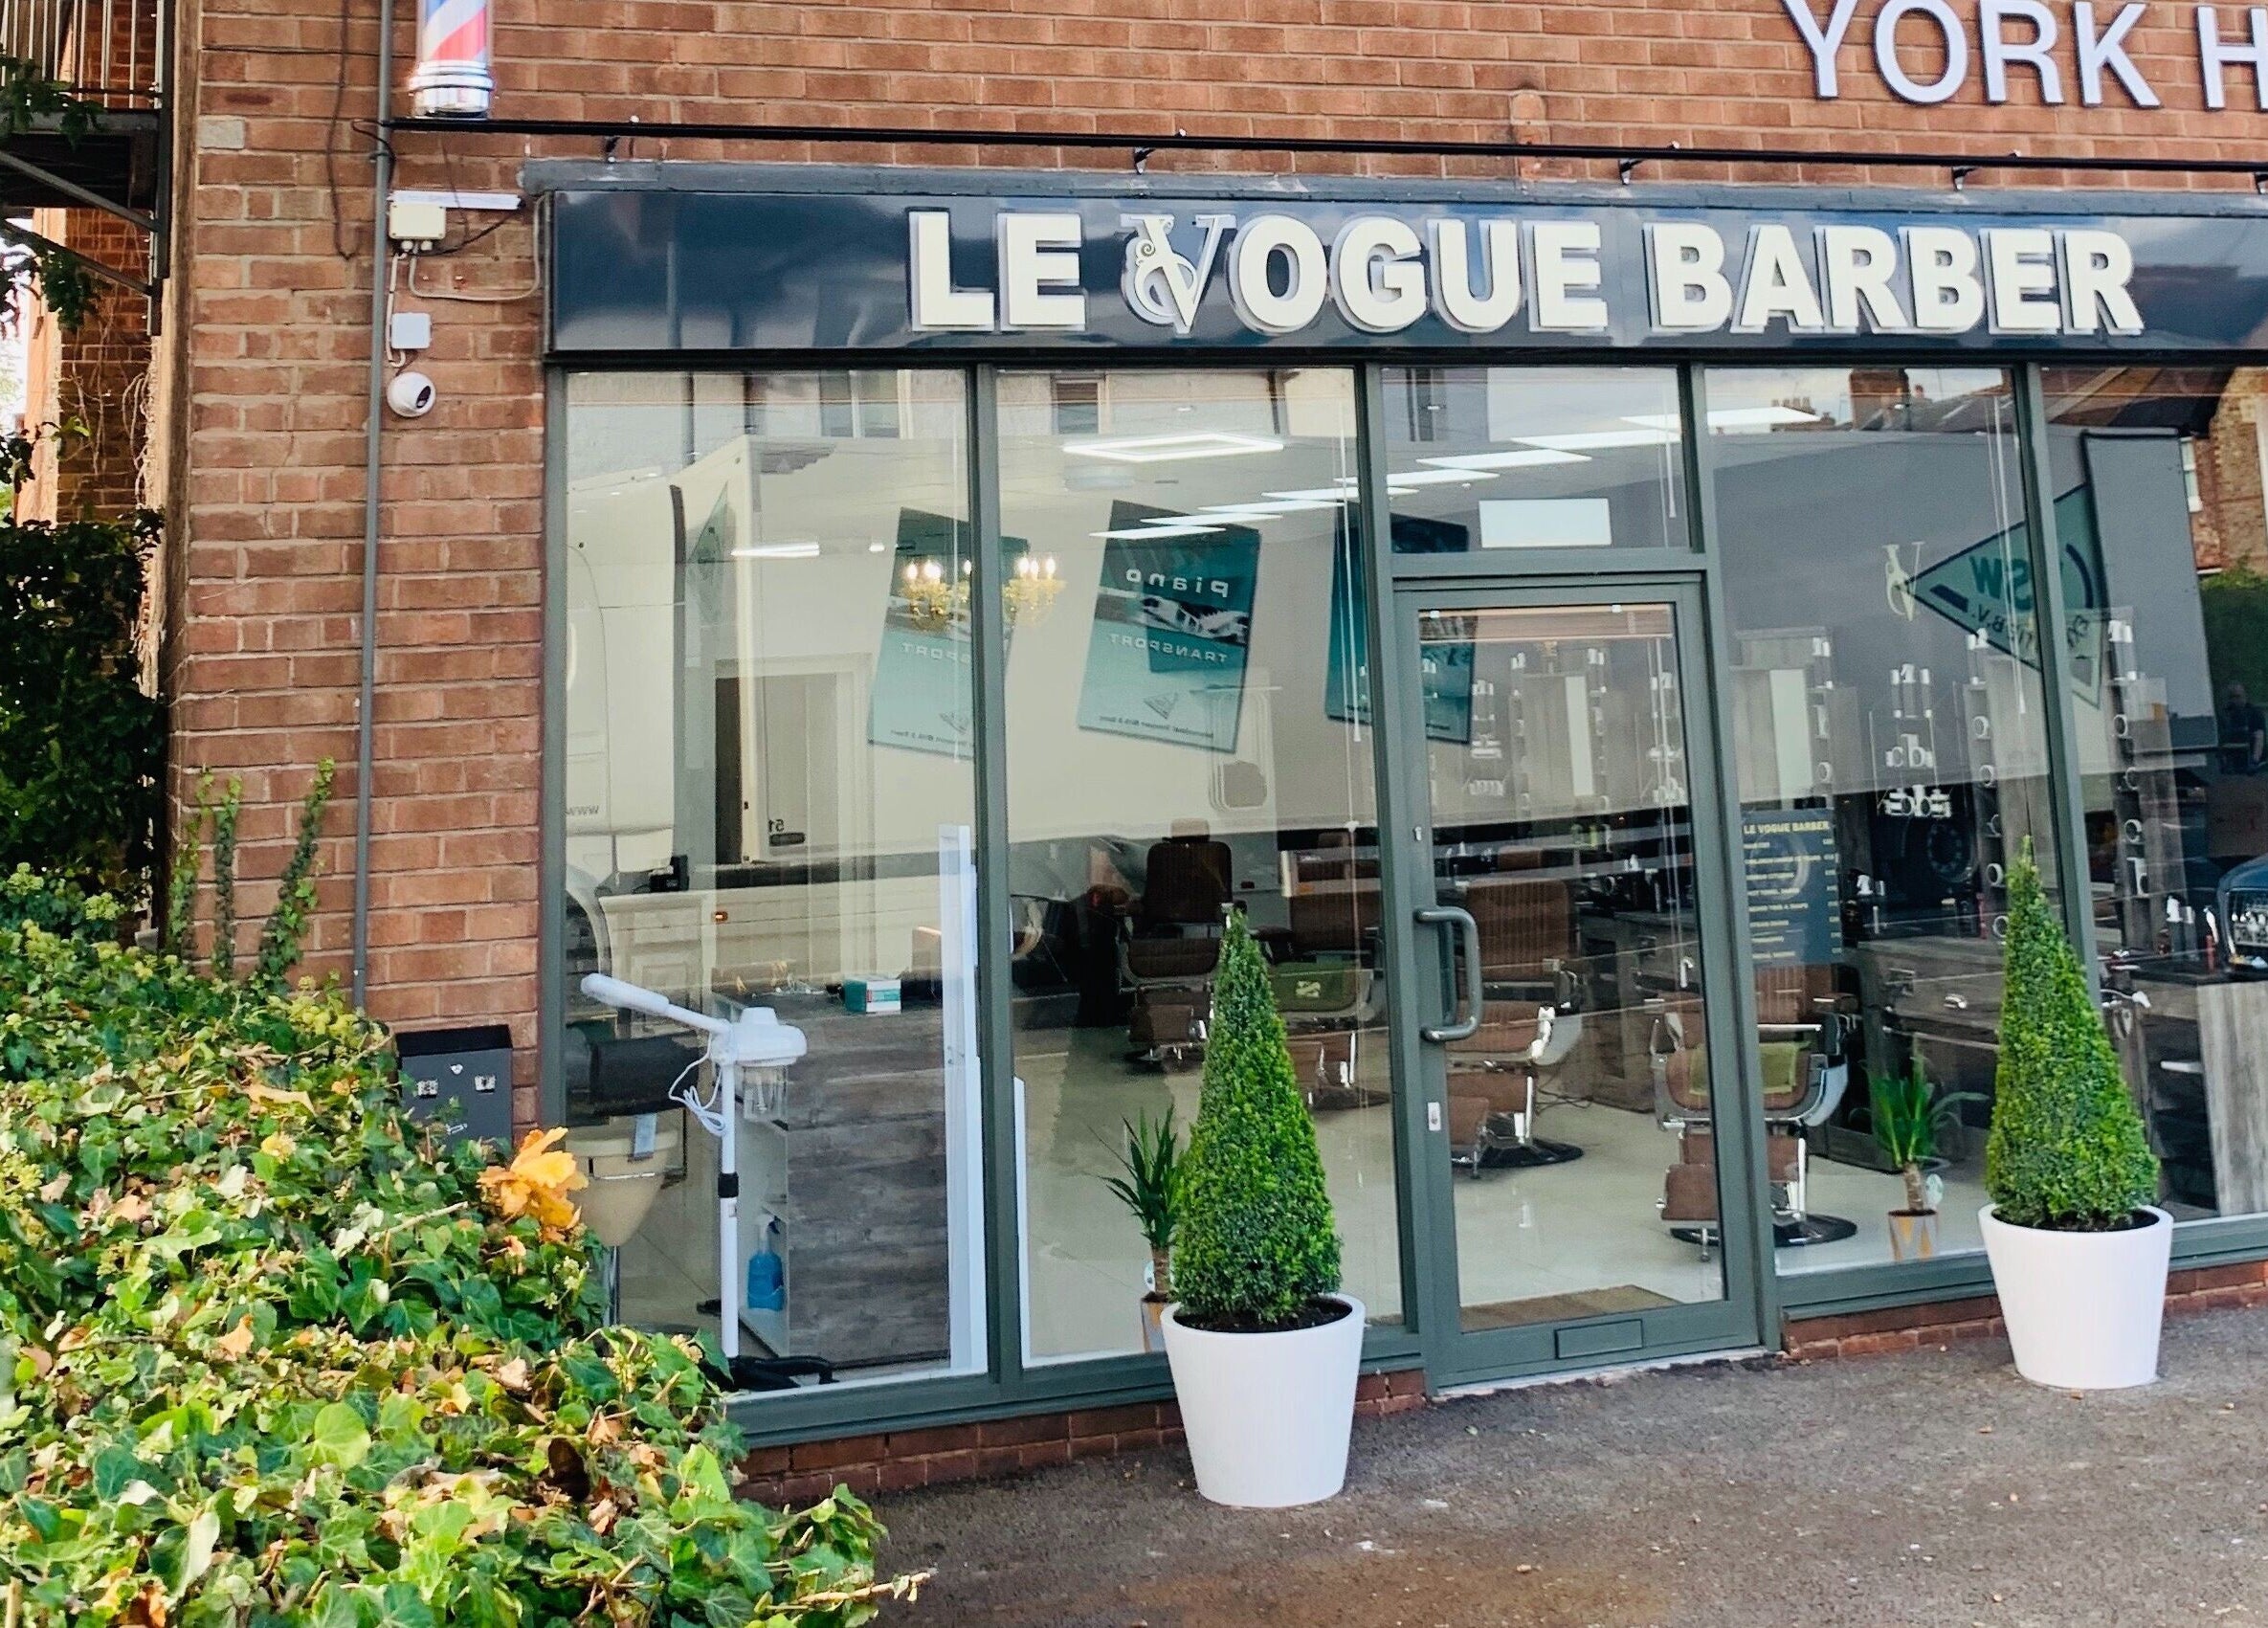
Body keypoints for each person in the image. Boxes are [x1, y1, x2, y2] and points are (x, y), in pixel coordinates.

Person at [2222, 681, 2268, 774]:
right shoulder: (2224, 713)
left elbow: (2260, 735)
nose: (2235, 700)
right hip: (2231, 748)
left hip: (2251, 747)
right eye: (2232, 697)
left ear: (2245, 696)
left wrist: (2255, 759)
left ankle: (2254, 762)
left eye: (2238, 696)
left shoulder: (2254, 712)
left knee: (2259, 735)